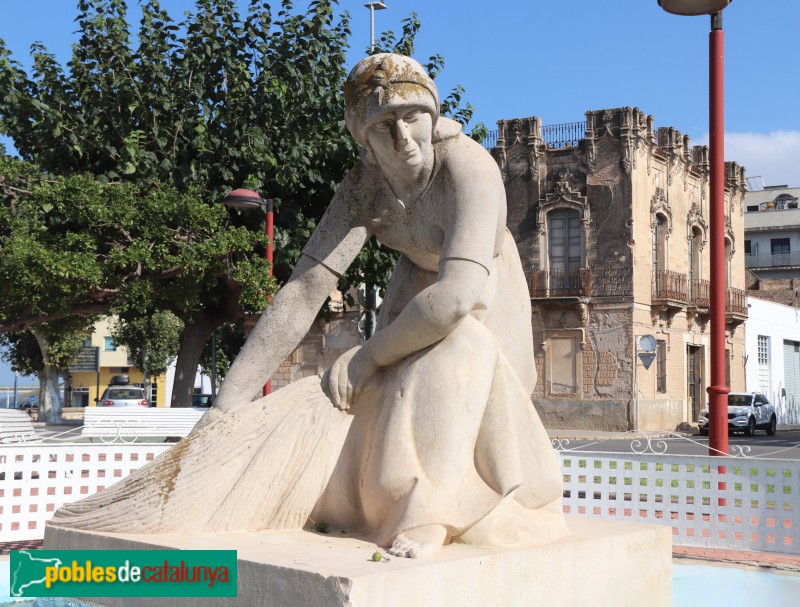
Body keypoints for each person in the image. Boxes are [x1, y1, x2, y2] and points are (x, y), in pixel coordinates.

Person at [50, 54, 565, 559]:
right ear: (362, 141)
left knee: (463, 352)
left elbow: (456, 297)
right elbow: (302, 293)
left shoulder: (468, 167)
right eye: (383, 127)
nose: (403, 139)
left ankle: (434, 510)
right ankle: (388, 500)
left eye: (413, 118)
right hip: (416, 283)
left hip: (484, 286)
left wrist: (366, 355)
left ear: (432, 116)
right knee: (387, 389)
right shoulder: (364, 187)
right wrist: (225, 411)